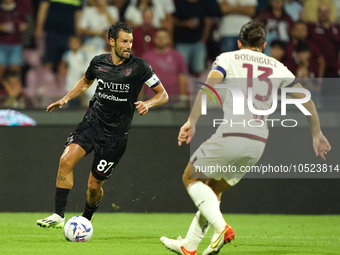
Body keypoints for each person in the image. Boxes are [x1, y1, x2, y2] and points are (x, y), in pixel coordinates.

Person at [160, 21, 331, 255]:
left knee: (191, 178)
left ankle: (221, 228)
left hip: (233, 132)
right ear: (264, 45)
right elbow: (306, 99)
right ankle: (189, 245)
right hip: (258, 141)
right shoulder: (278, 66)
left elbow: (207, 89)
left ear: (239, 43)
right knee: (214, 188)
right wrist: (316, 133)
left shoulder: (228, 58)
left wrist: (192, 121)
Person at [36, 22, 169, 228]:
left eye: (131, 42)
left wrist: (148, 103)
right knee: (65, 160)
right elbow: (86, 81)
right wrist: (65, 98)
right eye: (124, 41)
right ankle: (58, 215)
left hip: (115, 137)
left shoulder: (140, 67)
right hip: (92, 124)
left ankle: (86, 221)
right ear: (112, 41)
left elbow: (163, 94)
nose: (128, 45)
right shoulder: (98, 62)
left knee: (93, 187)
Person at [142, 28, 187, 104]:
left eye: (164, 37)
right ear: (154, 39)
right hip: (152, 101)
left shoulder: (177, 56)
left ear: (169, 39)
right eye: (158, 37)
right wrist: (140, 99)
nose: (161, 40)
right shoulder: (146, 57)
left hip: (173, 99)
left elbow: (182, 78)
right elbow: (141, 81)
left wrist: (183, 98)